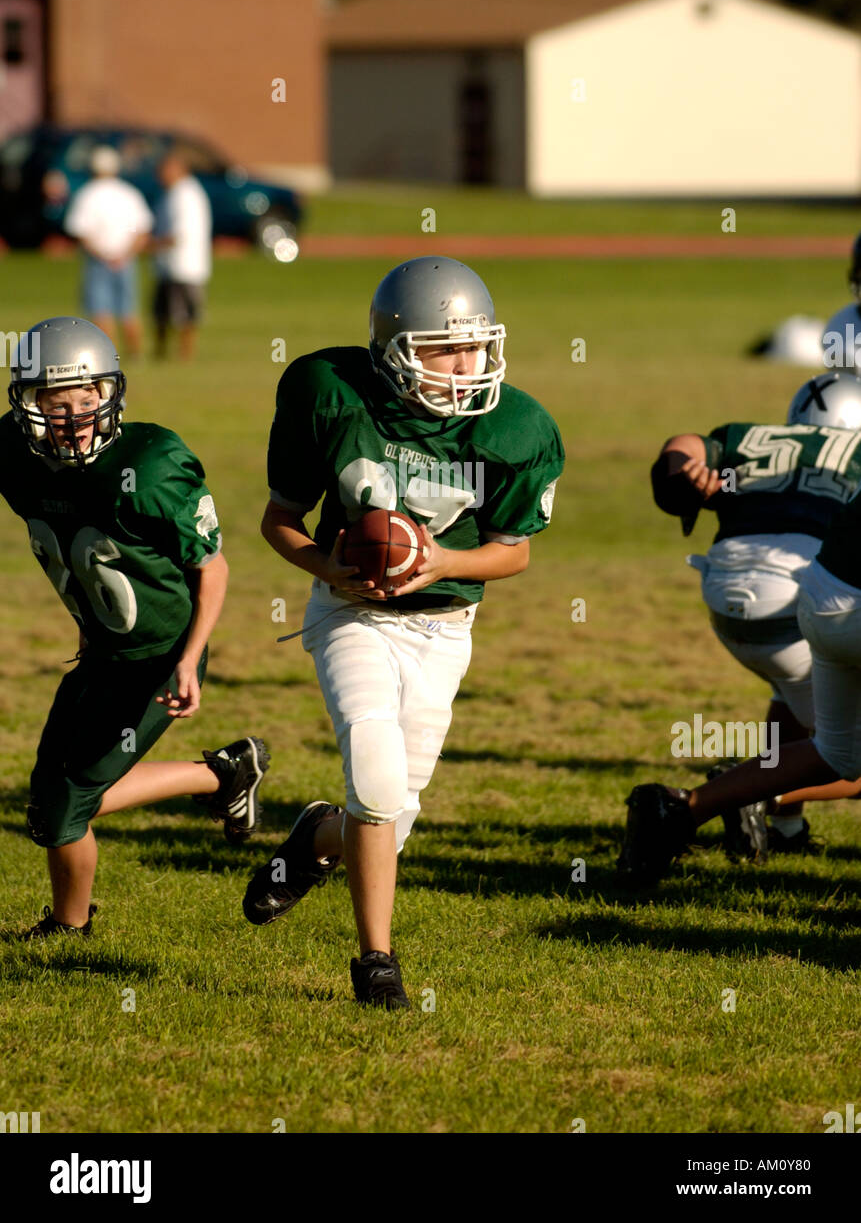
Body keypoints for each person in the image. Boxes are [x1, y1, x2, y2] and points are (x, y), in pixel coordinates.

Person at [242, 256, 565, 1008]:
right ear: (392, 349)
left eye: (474, 345)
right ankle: (375, 962)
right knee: (377, 780)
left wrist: (441, 559)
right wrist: (331, 567)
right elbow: (278, 521)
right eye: (440, 348)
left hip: (446, 624)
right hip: (353, 613)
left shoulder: (517, 427)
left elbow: (513, 553)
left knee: (392, 816)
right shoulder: (329, 392)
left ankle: (312, 841)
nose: (463, 365)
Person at [2, 316, 269, 938]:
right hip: (102, 652)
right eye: (54, 401)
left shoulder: (149, 466)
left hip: (159, 656)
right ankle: (224, 773)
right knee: (49, 802)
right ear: (27, 403)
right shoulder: (14, 456)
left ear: (112, 394)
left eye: (88, 398)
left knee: (66, 804)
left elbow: (213, 568)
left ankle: (68, 929)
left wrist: (190, 657)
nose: (73, 415)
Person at [620, 374, 861, 887]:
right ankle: (746, 796)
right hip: (811, 595)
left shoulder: (748, 436)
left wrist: (683, 470)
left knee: (797, 691)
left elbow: (681, 447)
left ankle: (784, 825)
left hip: (732, 601)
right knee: (846, 758)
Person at [63, 146, 153, 358]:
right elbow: (142, 230)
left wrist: (104, 255)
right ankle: (135, 354)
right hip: (126, 259)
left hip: (98, 261)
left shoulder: (87, 194)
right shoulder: (129, 193)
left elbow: (81, 232)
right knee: (129, 310)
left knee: (101, 312)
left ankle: (108, 356)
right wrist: (125, 255)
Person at [150, 151, 212, 361]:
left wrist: (150, 245)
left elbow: (179, 234)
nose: (159, 175)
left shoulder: (186, 195)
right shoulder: (171, 193)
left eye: (164, 170)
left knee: (185, 315)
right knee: (161, 314)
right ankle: (161, 353)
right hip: (168, 266)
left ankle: (185, 355)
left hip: (185, 266)